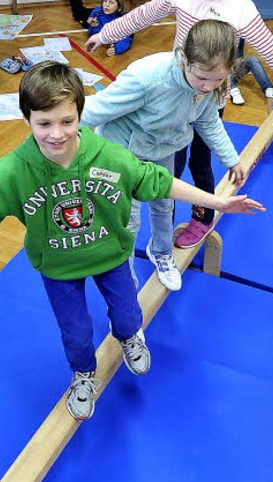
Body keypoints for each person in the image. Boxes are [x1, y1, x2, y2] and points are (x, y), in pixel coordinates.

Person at [0, 61, 264, 421]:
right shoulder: (12, 173)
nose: (57, 133)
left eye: (67, 121)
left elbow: (160, 182)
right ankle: (83, 375)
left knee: (129, 314)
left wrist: (217, 202)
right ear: (26, 119)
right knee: (76, 333)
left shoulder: (109, 156)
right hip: (59, 267)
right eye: (44, 123)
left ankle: (131, 338)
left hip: (111, 255)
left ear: (81, 116)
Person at [85, 0, 273, 248]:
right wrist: (107, 33)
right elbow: (144, 14)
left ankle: (202, 216)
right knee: (170, 165)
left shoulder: (241, 7)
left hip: (209, 97)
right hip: (173, 91)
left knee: (199, 160)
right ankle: (163, 232)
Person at [82, 20, 247, 292]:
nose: (208, 87)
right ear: (184, 58)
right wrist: (52, 134)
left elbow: (208, 121)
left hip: (162, 147)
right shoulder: (147, 78)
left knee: (164, 205)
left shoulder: (212, 84)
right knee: (129, 219)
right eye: (202, 78)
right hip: (124, 151)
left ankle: (160, 252)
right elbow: (94, 110)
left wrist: (231, 158)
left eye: (217, 79)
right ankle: (127, 285)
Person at [229, 38, 273, 105]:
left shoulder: (239, 33)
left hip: (234, 65)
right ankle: (232, 88)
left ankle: (267, 88)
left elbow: (240, 54)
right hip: (221, 71)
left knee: (252, 59)